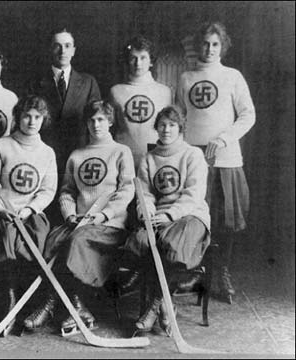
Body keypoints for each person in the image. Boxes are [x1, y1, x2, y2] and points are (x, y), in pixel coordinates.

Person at [22, 100, 135, 335]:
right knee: (52, 240)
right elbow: (67, 191)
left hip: (109, 225)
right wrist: (70, 214)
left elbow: (127, 190)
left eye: (101, 119)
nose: (96, 124)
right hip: (79, 221)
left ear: (110, 122)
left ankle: (55, 304)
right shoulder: (77, 155)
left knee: (77, 241)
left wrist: (104, 215)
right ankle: (76, 305)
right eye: (92, 120)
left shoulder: (121, 152)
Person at [176, 22, 255, 303]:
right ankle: (199, 270)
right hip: (194, 160)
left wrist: (223, 139)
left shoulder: (233, 76)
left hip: (226, 159)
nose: (209, 49)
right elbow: (180, 119)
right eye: (205, 44)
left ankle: (221, 271)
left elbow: (248, 115)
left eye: (215, 44)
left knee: (225, 220)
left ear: (223, 47)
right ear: (198, 46)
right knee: (196, 216)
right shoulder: (186, 78)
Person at [123, 105, 211, 335]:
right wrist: (149, 213)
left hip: (189, 215)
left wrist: (170, 215)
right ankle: (165, 307)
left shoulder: (193, 155)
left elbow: (194, 194)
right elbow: (145, 194)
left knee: (172, 246)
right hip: (159, 218)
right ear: (156, 128)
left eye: (172, 125)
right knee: (141, 242)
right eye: (162, 125)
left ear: (180, 127)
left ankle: (154, 307)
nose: (166, 130)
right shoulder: (149, 158)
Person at [0, 95, 57, 332]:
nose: (31, 121)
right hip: (2, 209)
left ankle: (30, 301)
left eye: (37, 117)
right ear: (18, 117)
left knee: (40, 236)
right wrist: (0, 208)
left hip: (29, 211)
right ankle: (8, 296)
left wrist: (29, 209)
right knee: (5, 237)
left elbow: (48, 190)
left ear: (44, 120)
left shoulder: (47, 152)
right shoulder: (2, 145)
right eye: (26, 116)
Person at [28, 28, 101, 224]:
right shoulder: (35, 82)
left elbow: (97, 119)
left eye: (67, 46)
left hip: (78, 154)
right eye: (57, 46)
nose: (62, 51)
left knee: (73, 207)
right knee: (46, 208)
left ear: (74, 50)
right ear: (50, 49)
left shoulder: (87, 82)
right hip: (44, 155)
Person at [109, 35, 173, 169]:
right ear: (128, 60)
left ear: (151, 61)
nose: (138, 63)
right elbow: (111, 127)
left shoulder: (164, 91)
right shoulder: (116, 91)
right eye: (133, 58)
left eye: (143, 58)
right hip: (123, 155)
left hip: (155, 156)